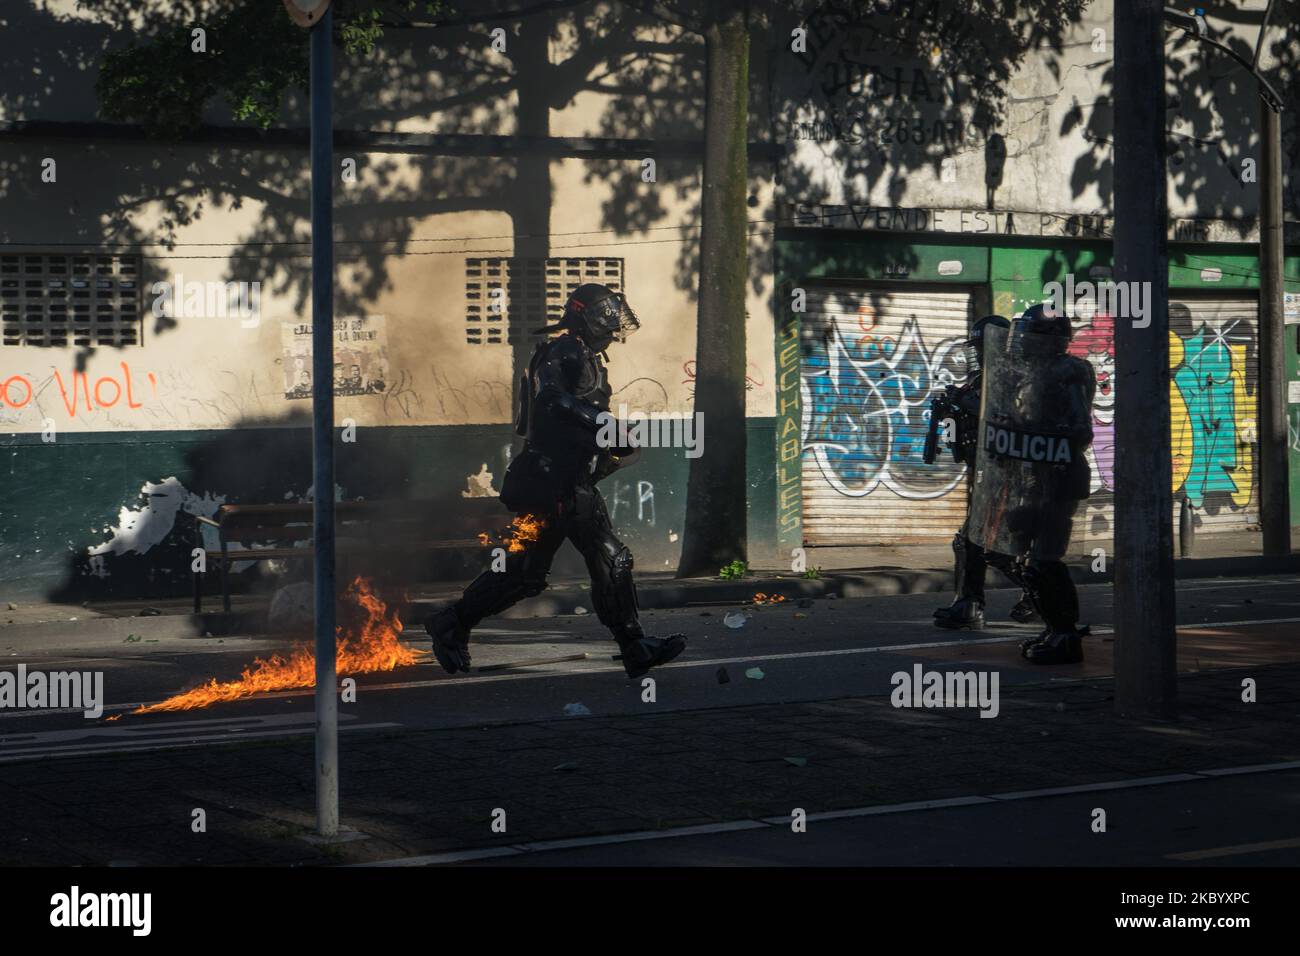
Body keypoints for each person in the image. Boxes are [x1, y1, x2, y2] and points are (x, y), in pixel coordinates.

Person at [424, 283, 686, 679]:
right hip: (549, 480)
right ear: (587, 316)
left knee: (541, 572)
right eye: (608, 316)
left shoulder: (587, 356)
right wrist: (603, 423)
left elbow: (578, 419)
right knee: (585, 563)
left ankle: (452, 622)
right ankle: (633, 645)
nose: (615, 325)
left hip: (569, 478)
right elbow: (551, 400)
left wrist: (612, 446)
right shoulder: (564, 349)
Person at [968, 303, 1097, 664]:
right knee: (1019, 553)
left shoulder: (1068, 371)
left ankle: (1065, 635)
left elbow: (1077, 429)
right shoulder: (1034, 371)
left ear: (1052, 340)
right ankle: (1055, 626)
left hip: (1059, 478)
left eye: (1031, 334)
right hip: (1036, 478)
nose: (1022, 342)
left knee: (1044, 560)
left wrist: (1026, 433)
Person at [932, 314, 1038, 631]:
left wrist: (964, 401)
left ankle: (1039, 595)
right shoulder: (982, 378)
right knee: (971, 542)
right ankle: (970, 605)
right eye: (976, 348)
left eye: (982, 346)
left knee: (992, 547)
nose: (979, 353)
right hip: (986, 473)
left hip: (1011, 475)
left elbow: (1005, 415)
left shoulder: (1018, 376)